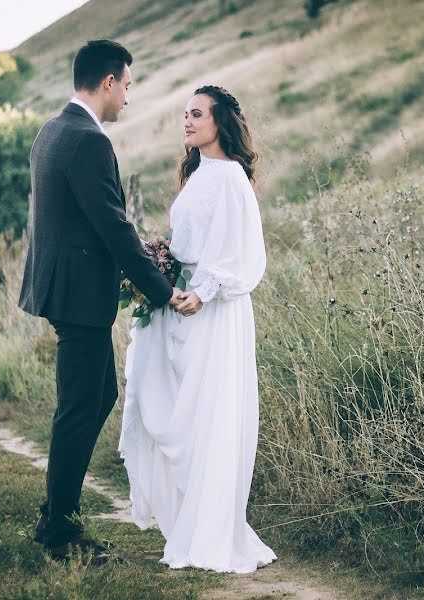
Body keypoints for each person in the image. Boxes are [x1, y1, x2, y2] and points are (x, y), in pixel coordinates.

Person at [18, 39, 185, 563]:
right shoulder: (87, 140)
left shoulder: (52, 130)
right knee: (79, 407)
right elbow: (113, 227)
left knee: (98, 396)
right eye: (128, 86)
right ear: (109, 82)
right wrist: (161, 289)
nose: (128, 99)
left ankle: (57, 512)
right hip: (77, 294)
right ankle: (60, 530)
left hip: (60, 287)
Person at [118, 85, 278, 573]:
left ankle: (210, 531)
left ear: (220, 121)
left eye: (196, 114)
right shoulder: (197, 176)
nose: (187, 122)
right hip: (179, 304)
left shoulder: (231, 178)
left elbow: (242, 255)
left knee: (208, 416)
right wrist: (161, 267)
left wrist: (202, 291)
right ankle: (185, 514)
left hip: (213, 312)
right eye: (184, 114)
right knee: (162, 404)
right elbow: (190, 240)